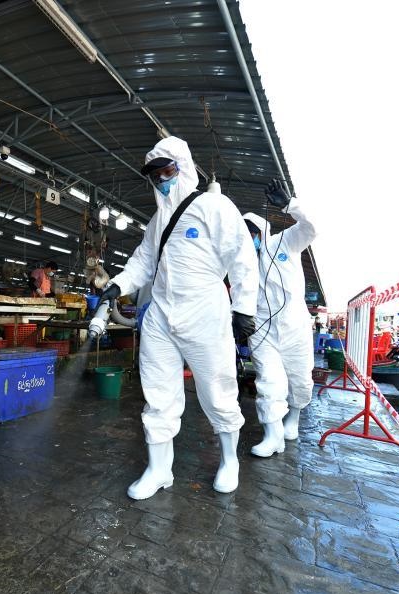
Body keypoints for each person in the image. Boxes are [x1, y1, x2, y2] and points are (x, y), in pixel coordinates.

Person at [98, 136, 259, 498]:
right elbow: (143, 262)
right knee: (157, 392)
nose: (161, 179)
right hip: (160, 312)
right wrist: (117, 285)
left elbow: (242, 257)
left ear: (183, 167)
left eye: (167, 171)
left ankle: (229, 461)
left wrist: (244, 308)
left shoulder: (214, 206)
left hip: (205, 310)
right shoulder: (157, 221)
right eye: (154, 174)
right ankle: (158, 470)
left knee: (217, 389)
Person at [243, 179, 317, 456]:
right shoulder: (240, 262)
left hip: (294, 325)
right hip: (262, 328)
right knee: (269, 382)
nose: (248, 237)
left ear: (261, 231)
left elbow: (311, 228)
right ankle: (272, 436)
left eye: (251, 232)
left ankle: (293, 418)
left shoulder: (284, 242)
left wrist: (290, 205)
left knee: (300, 379)